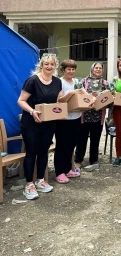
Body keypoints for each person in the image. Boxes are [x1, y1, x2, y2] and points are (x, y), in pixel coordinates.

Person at [18, 54, 62, 200]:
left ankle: (40, 181)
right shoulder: (32, 81)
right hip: (31, 123)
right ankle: (29, 184)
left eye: (52, 64)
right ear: (41, 65)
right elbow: (21, 101)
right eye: (46, 64)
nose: (49, 67)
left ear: (55, 66)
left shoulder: (57, 82)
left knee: (43, 151)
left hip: (49, 123)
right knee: (31, 153)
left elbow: (58, 101)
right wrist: (32, 111)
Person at [55, 59, 92, 183]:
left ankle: (67, 169)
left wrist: (91, 99)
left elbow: (85, 94)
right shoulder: (59, 82)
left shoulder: (77, 82)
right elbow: (60, 100)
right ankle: (59, 172)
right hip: (63, 119)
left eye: (73, 69)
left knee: (71, 145)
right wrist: (70, 93)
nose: (71, 71)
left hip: (76, 117)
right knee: (62, 145)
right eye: (68, 69)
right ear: (63, 70)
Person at [74, 62, 110, 172]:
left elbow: (109, 98)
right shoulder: (84, 81)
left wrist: (102, 103)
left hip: (98, 116)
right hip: (85, 115)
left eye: (100, 68)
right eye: (96, 67)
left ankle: (93, 160)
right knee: (81, 139)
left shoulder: (105, 83)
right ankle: (78, 160)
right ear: (92, 69)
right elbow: (78, 94)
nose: (98, 69)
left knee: (95, 139)